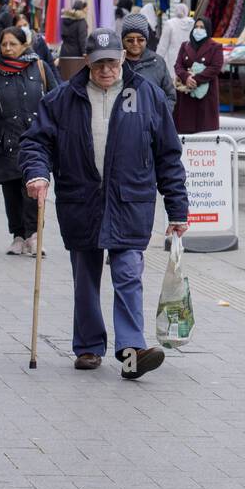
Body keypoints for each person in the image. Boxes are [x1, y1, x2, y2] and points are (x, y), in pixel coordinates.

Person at [20, 29, 189, 378]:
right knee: (85, 276)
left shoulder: (148, 96)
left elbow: (169, 156)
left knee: (128, 272)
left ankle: (130, 352)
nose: (106, 70)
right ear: (87, 62)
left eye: (112, 62)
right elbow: (36, 141)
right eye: (99, 64)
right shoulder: (64, 98)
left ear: (123, 58)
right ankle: (88, 347)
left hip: (130, 201)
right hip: (81, 200)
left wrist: (177, 210)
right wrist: (37, 174)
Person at [0, 27, 59, 256]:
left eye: (13, 44)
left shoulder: (39, 67)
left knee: (33, 190)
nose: (8, 49)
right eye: (4, 44)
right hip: (5, 142)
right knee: (11, 193)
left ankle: (34, 236)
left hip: (36, 142)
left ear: (23, 45)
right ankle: (18, 235)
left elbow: (58, 100)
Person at [173, 16, 223, 134]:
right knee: (185, 128)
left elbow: (215, 67)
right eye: (196, 27)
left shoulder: (215, 47)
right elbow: (178, 65)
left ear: (208, 29)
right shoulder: (185, 45)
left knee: (204, 129)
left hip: (205, 94)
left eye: (202, 27)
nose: (198, 29)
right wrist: (186, 78)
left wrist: (195, 80)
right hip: (186, 94)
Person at [122, 12, 176, 112]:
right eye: (130, 40)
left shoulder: (157, 62)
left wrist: (159, 119)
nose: (135, 44)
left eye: (140, 40)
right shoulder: (115, 63)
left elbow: (170, 96)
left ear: (146, 40)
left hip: (152, 126)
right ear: (123, 40)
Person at [156, 2, 194, 82]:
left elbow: (163, 45)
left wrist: (157, 60)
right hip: (189, 56)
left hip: (173, 58)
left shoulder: (170, 23)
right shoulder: (191, 23)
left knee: (173, 81)